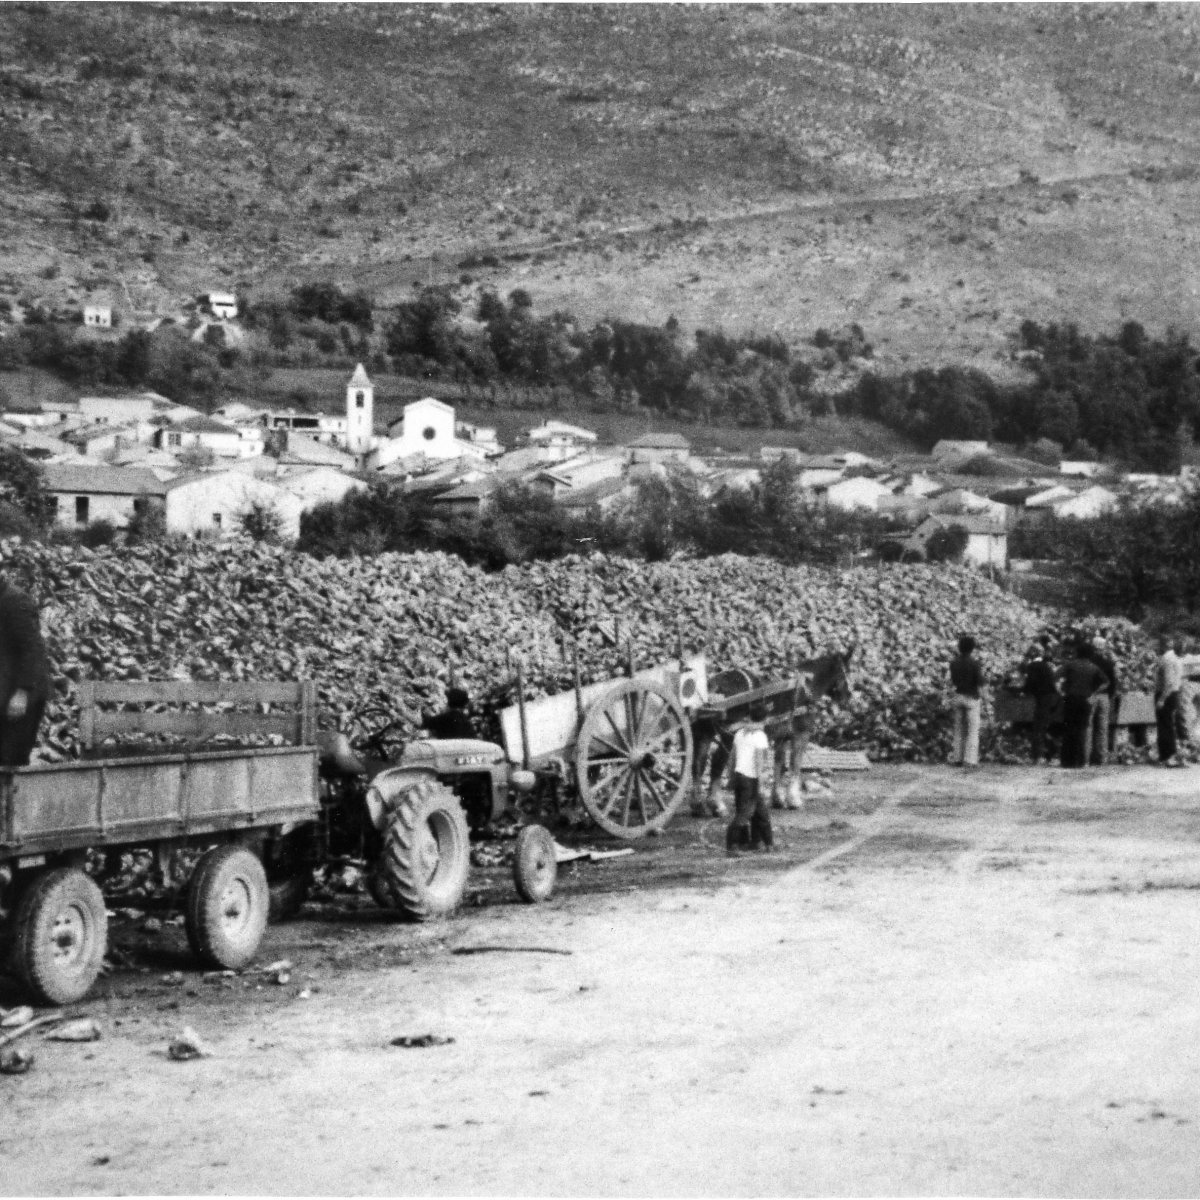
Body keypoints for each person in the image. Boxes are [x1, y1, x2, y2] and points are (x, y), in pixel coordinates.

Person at [0, 573, 52, 768]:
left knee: (11, 762)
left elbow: (32, 649)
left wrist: (22, 692)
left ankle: (13, 799)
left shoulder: (15, 601)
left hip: (21, 699)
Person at [725, 703, 773, 855]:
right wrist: (762, 785)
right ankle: (732, 845)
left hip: (739, 776)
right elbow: (759, 762)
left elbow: (732, 757)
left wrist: (730, 776)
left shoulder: (740, 733)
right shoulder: (760, 737)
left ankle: (766, 843)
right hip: (751, 779)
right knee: (745, 814)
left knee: (760, 812)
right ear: (765, 719)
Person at [1058, 638, 1107, 768]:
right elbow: (1105, 682)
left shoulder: (1070, 664)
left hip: (1071, 699)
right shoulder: (1093, 667)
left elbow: (1056, 676)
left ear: (1078, 652)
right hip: (1085, 700)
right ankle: (1080, 760)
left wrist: (1061, 690)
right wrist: (1094, 694)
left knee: (1069, 728)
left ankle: (1067, 760)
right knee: (1082, 729)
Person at [1022, 637, 1059, 765]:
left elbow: (1030, 682)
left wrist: (1023, 690)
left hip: (1043, 698)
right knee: (1045, 726)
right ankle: (1050, 754)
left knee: (1038, 727)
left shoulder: (1033, 666)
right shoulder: (1046, 666)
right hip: (1052, 697)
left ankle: (1038, 756)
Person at [948, 635, 983, 767]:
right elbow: (980, 681)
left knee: (958, 729)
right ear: (972, 648)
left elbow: (953, 680)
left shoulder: (953, 663)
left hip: (958, 696)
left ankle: (957, 758)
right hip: (971, 697)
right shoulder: (974, 663)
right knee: (972, 730)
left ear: (959, 647)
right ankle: (970, 760)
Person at [1085, 634, 1119, 766]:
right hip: (1104, 697)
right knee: (1102, 728)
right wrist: (1110, 696)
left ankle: (1087, 758)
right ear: (1103, 648)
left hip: (1090, 696)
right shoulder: (1108, 663)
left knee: (1088, 726)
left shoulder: (1089, 662)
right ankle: (1102, 758)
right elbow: (1113, 682)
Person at [1155, 635, 1186, 766]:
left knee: (1164, 725)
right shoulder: (1176, 659)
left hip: (1166, 694)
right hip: (1174, 693)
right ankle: (1170, 755)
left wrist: (1162, 699)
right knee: (1169, 724)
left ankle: (1167, 755)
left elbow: (1168, 682)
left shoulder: (1167, 659)